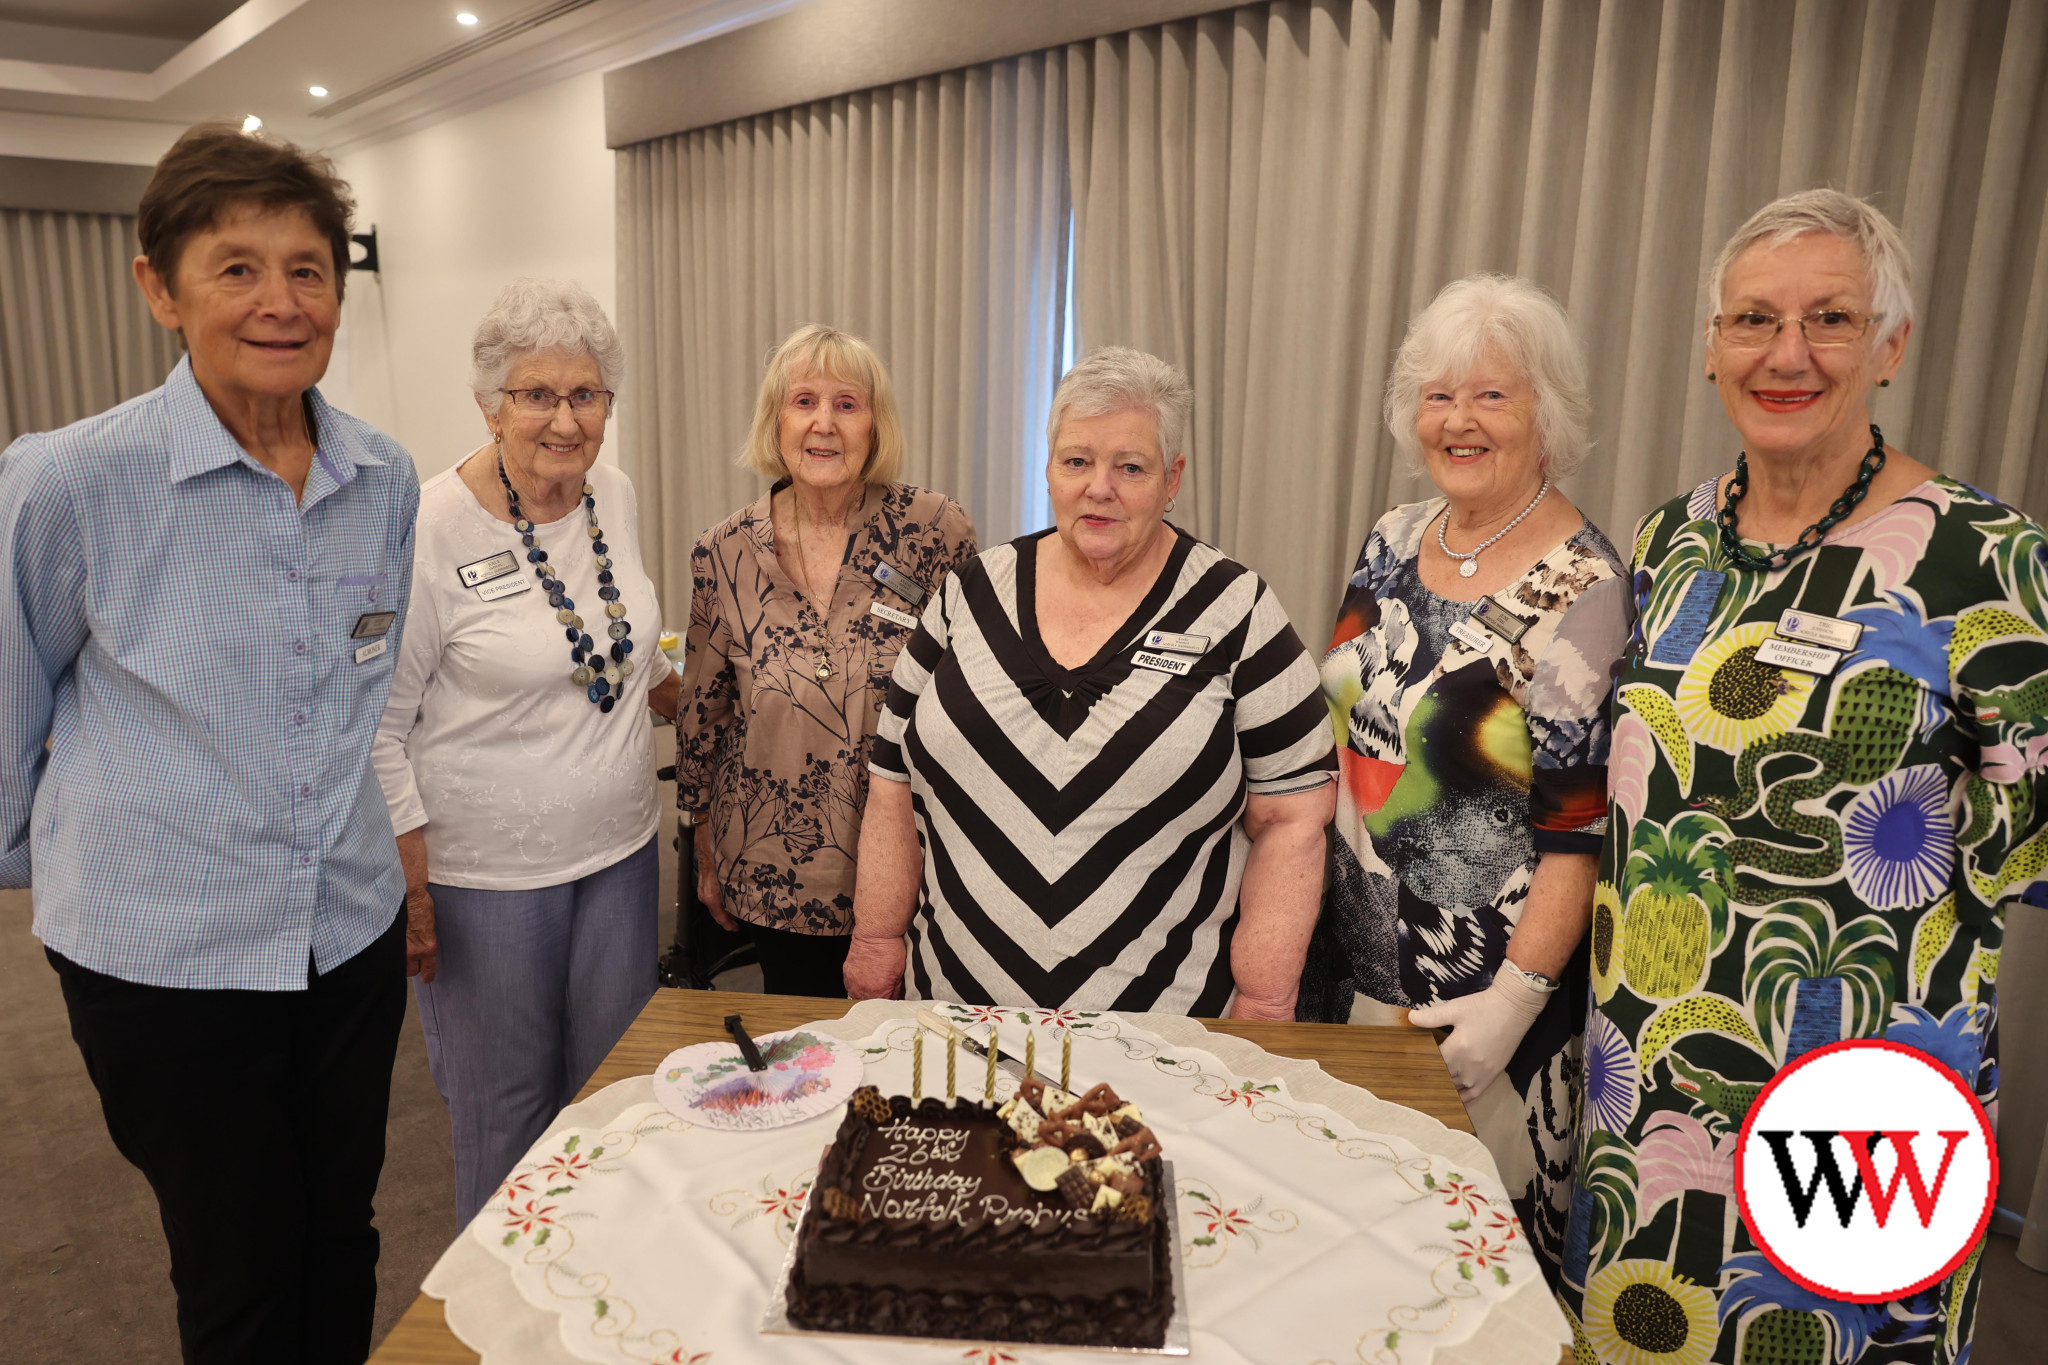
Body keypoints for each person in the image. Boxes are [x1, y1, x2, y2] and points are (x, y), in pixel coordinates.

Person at [1558, 189, 2048, 1364]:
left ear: (1889, 344)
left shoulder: (1983, 557)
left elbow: (2025, 844)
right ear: (1710, 344)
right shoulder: (1667, 540)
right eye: (1751, 322)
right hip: (1647, 1087)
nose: (1785, 355)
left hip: (1859, 1097)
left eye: (1828, 319)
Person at [0, 123, 417, 1363]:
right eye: (236, 268)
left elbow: (360, 686)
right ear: (158, 288)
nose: (279, 303)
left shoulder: (381, 478)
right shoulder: (66, 480)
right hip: (164, 958)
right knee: (237, 1268)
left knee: (341, 1235)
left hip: (345, 930)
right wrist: (86, 873)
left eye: (306, 269)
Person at [1297, 274, 1628, 1282]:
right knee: (1345, 1259)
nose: (1458, 420)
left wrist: (1514, 1005)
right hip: (1352, 981)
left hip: (1477, 1018)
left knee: (1464, 1279)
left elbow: (1576, 833)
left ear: (1547, 413)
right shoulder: (1392, 538)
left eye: (1491, 395)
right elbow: (1348, 729)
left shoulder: (1586, 589)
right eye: (1439, 395)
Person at [844, 347, 1336, 1015]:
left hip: (1166, 1040)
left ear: (1173, 478)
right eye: (1077, 461)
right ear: (1048, 468)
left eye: (1130, 466)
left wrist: (1267, 996)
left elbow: (1295, 814)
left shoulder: (1238, 610)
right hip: (956, 1023)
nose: (1098, 486)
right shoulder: (968, 595)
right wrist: (875, 941)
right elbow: (892, 781)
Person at [371, 279, 678, 1228]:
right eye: (535, 395)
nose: (563, 418)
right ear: (488, 402)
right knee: (507, 1123)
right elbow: (380, 727)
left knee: (615, 1102)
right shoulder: (425, 527)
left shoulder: (612, 498)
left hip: (621, 858)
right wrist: (413, 893)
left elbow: (614, 654)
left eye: (585, 395)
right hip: (483, 882)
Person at [677, 324, 977, 996]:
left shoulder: (934, 530)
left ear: (876, 424)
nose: (824, 423)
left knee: (907, 1069)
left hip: (912, 859)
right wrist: (704, 847)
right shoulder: (722, 551)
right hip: (771, 866)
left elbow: (972, 696)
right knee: (803, 1063)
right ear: (774, 420)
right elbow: (704, 712)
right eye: (803, 400)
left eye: (847, 403)